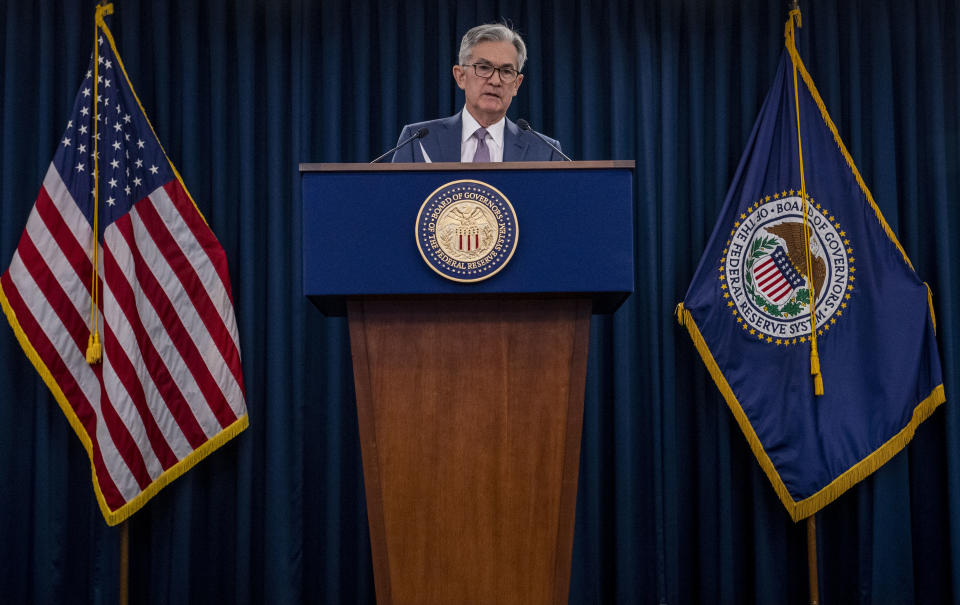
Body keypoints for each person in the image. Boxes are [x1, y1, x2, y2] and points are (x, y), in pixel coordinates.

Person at [391, 22, 565, 163]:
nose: (495, 81)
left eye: (506, 71)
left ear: (516, 85)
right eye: (483, 67)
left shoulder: (546, 152)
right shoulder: (416, 141)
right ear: (460, 76)